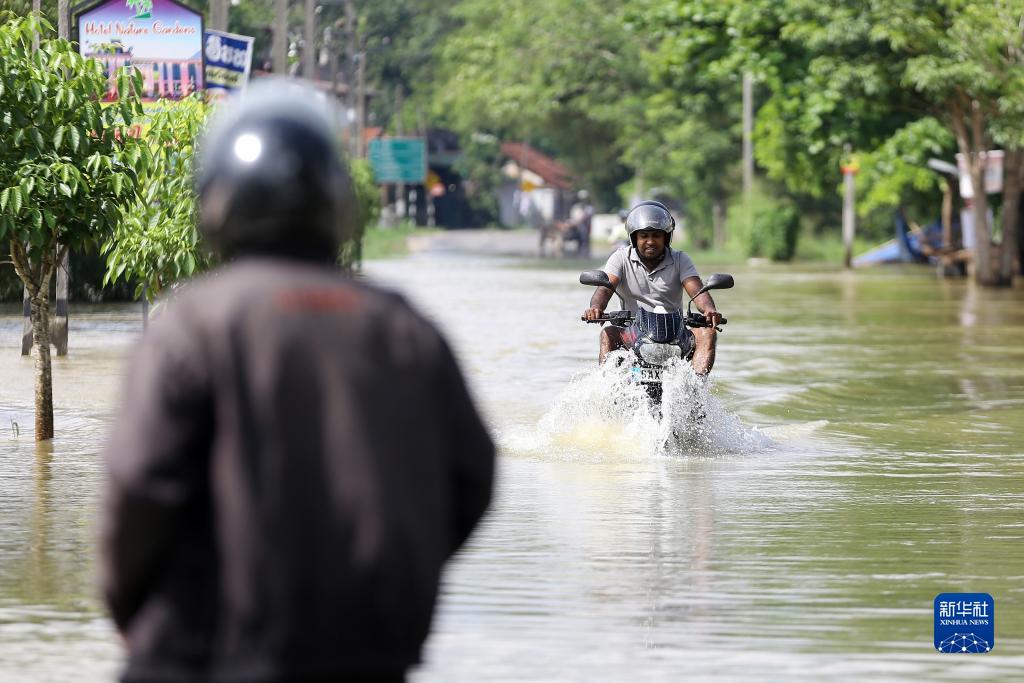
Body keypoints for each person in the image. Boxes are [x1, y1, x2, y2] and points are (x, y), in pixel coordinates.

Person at [100, 79, 495, 683]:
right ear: (337, 205)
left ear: (217, 204)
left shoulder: (194, 324)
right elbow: (471, 478)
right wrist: (381, 580)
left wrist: (130, 607)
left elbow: (140, 484)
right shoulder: (404, 328)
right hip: (367, 655)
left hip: (202, 651)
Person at [582, 200, 722, 373]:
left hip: (675, 335)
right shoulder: (620, 258)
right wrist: (595, 308)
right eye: (644, 236)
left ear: (666, 237)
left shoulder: (680, 260)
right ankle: (609, 387)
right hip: (631, 333)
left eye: (656, 235)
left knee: (708, 334)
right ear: (634, 238)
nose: (650, 241)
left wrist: (709, 310)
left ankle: (696, 388)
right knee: (608, 333)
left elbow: (697, 290)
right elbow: (605, 288)